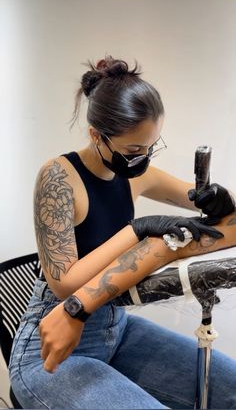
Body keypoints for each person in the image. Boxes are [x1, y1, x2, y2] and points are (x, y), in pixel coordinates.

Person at [9, 55, 236, 409]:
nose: (142, 158)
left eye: (150, 147)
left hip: (116, 327)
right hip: (52, 344)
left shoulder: (138, 172)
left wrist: (220, 199)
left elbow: (208, 207)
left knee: (231, 387)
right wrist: (138, 229)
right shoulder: (59, 178)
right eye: (133, 150)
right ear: (96, 136)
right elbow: (64, 283)